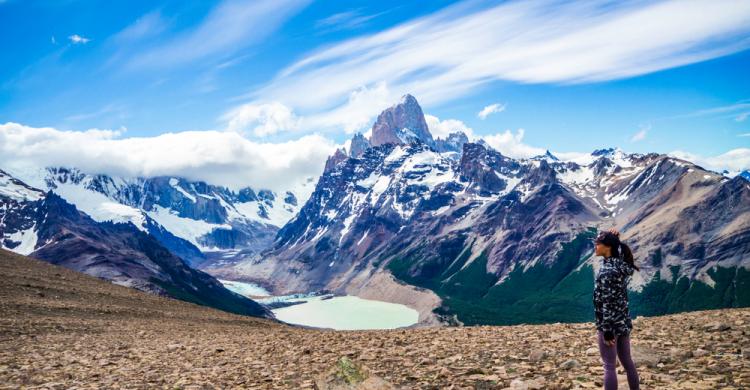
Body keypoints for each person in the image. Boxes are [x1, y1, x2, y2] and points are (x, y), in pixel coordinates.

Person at [593, 228, 640, 390]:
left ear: (607, 247)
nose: (595, 246)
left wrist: (606, 330)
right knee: (627, 361)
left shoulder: (607, 272)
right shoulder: (619, 265)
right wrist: (614, 237)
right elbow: (616, 256)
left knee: (609, 366)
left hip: (609, 325)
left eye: (598, 244)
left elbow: (607, 303)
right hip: (623, 321)